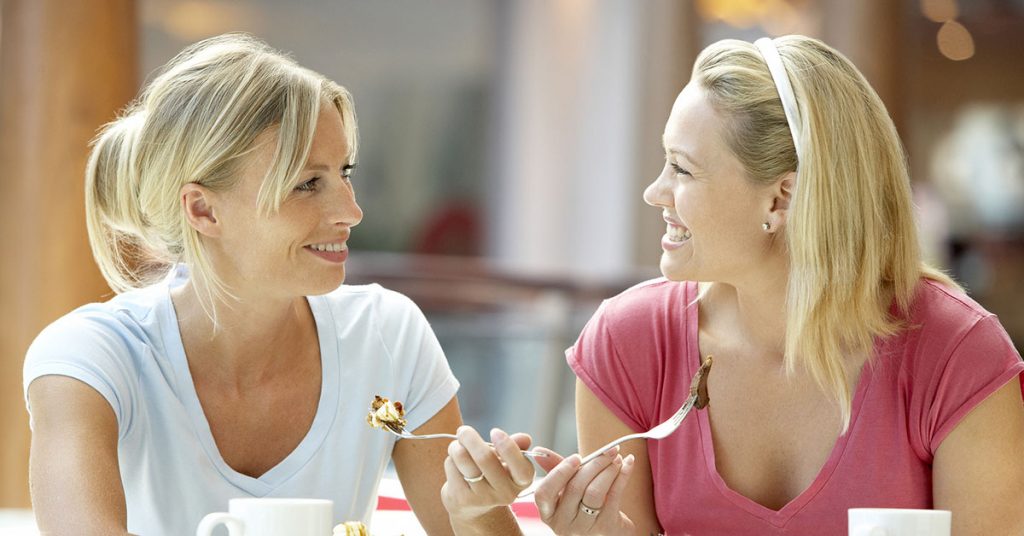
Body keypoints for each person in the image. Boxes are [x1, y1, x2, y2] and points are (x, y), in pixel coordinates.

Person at [441, 35, 1024, 535]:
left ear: (780, 198)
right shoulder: (629, 345)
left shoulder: (959, 357)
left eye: (683, 168)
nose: (655, 192)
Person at [22, 34, 527, 536]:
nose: (351, 212)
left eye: (343, 173)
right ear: (202, 209)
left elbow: (468, 527)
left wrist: (473, 515)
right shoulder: (91, 360)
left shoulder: (387, 338)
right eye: (307, 184)